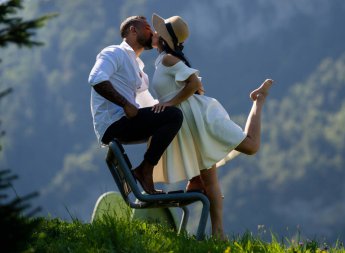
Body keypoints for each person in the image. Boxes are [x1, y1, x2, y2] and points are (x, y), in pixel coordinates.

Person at [149, 13, 273, 238]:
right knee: (209, 180)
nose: (154, 33)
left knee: (251, 146)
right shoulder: (162, 60)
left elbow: (194, 82)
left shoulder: (168, 59)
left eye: (159, 32)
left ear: (165, 39)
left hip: (200, 120)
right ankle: (218, 233)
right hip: (189, 124)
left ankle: (259, 101)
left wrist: (169, 103)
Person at [88, 16, 183, 194]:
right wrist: (125, 104)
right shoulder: (114, 52)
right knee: (174, 117)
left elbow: (151, 105)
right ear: (133, 30)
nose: (153, 32)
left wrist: (182, 102)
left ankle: (190, 177)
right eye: (148, 28)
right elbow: (96, 78)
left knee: (175, 117)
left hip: (123, 121)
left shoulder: (138, 70)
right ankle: (145, 171)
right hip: (113, 124)